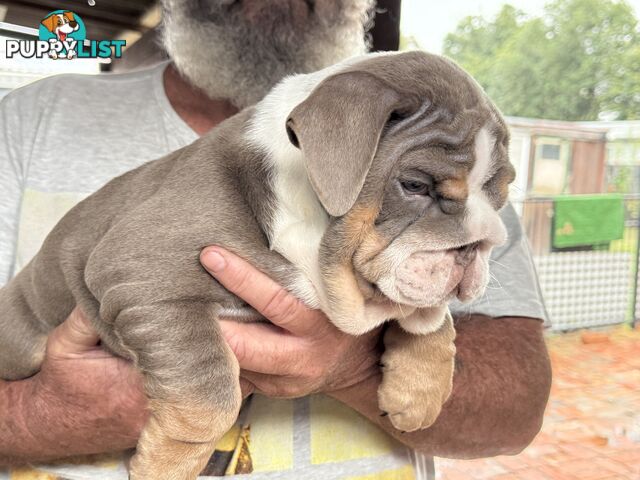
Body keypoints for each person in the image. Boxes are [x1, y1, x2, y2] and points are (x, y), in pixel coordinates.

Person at [0, 0, 552, 478]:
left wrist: (356, 363)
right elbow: (122, 278)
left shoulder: (453, 134)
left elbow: (515, 414)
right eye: (416, 186)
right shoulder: (30, 121)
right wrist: (43, 413)